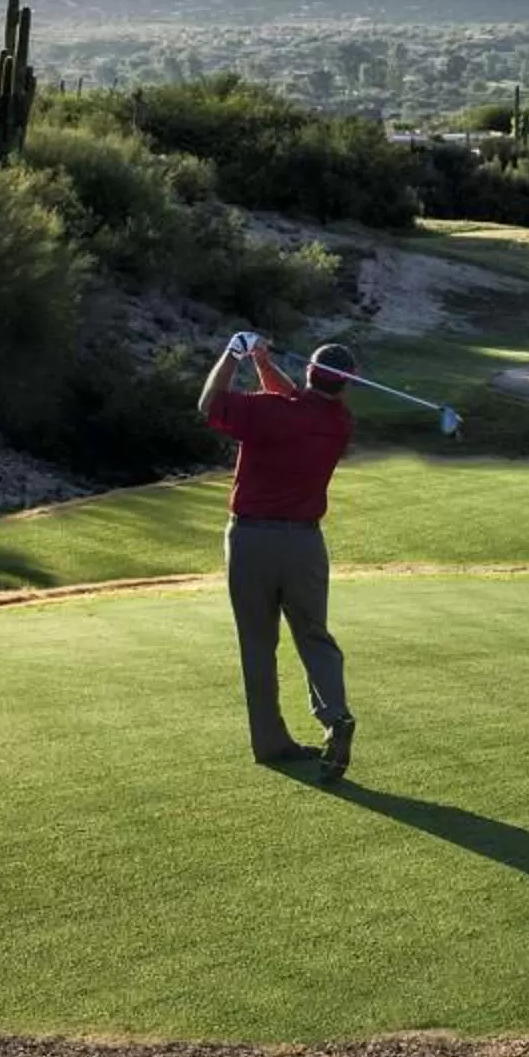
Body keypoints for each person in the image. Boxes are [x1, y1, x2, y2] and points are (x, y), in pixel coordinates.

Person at [197, 333, 358, 781]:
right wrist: (264, 363)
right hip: (305, 544)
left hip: (251, 540)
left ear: (309, 372)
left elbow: (209, 404)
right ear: (347, 384)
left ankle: (270, 741)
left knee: (257, 643)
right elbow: (298, 400)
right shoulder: (339, 422)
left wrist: (234, 353)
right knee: (313, 635)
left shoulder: (267, 411)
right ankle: (335, 715)